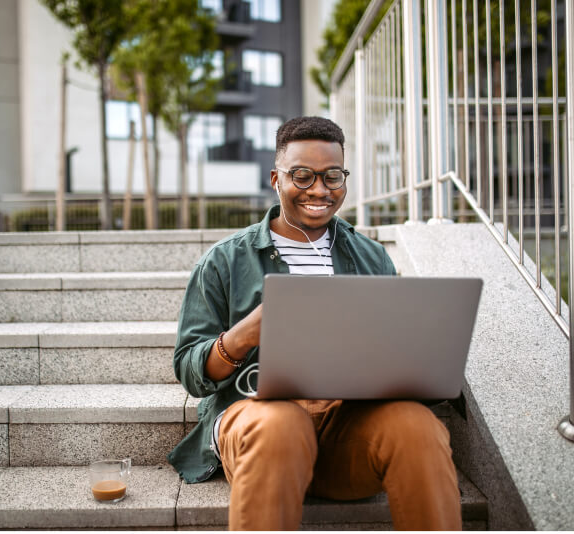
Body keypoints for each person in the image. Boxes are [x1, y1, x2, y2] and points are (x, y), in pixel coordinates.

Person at [167, 116, 461, 530]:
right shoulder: (225, 260)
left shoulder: (371, 258)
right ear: (276, 178)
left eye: (332, 176)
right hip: (258, 421)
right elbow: (190, 371)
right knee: (282, 424)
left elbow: (398, 351)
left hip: (346, 428)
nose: (319, 190)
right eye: (302, 176)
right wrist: (242, 336)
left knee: (418, 427)